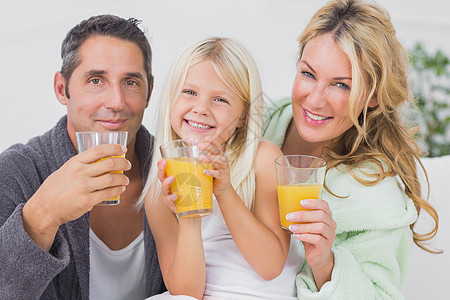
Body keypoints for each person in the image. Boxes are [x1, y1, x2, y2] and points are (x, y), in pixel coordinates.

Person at [263, 0, 441, 299]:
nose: (315, 100)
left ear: (371, 96)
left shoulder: (376, 195)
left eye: (341, 85)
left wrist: (325, 263)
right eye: (308, 74)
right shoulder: (263, 123)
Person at [0, 15, 165, 299]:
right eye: (96, 80)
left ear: (149, 90)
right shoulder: (15, 172)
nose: (116, 102)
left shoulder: (175, 169)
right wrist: (42, 215)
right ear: (62, 89)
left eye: (131, 82)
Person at [140, 37, 302, 300]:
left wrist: (225, 192)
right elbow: (184, 293)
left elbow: (271, 267)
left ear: (243, 117)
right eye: (189, 92)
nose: (201, 109)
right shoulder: (160, 191)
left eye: (220, 99)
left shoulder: (262, 160)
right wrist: (189, 218)